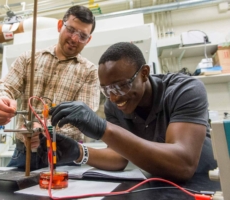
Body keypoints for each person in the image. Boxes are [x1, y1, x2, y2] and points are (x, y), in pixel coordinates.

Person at [40, 42, 217, 181]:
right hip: (160, 184)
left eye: (120, 86)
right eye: (106, 90)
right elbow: (118, 157)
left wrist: (103, 128)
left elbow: (182, 164)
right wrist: (79, 152)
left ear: (144, 73)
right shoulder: (114, 106)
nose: (114, 98)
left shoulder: (184, 90)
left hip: (205, 182)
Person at [0, 5, 100, 170]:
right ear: (60, 26)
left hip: (63, 156)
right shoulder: (29, 59)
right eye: (71, 30)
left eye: (82, 35)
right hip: (24, 154)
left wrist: (44, 128)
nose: (75, 39)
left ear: (88, 39)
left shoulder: (89, 72)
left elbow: (84, 120)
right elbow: (5, 86)